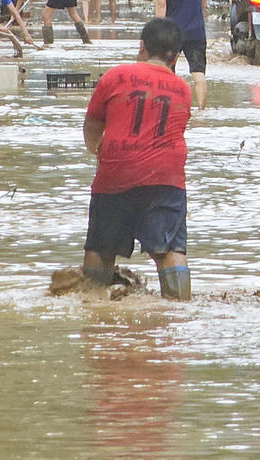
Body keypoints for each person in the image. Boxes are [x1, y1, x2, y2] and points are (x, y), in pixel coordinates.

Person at [79, 18, 193, 300]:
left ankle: (94, 307)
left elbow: (93, 123)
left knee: (100, 248)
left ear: (141, 47)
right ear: (176, 56)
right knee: (170, 251)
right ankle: (180, 309)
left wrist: (99, 153)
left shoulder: (115, 76)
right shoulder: (183, 89)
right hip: (166, 177)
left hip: (116, 173)